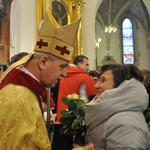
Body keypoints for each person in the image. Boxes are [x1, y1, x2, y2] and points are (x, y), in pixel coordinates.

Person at [0, 8, 94, 150]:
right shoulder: (19, 98)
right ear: (43, 62)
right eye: (62, 67)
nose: (64, 74)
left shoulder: (27, 92)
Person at [85, 64, 150, 149]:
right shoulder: (112, 116)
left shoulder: (126, 124)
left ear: (121, 87)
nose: (96, 85)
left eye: (103, 80)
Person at [52, 55, 96, 150]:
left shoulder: (61, 75)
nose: (88, 67)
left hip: (61, 118)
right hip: (78, 122)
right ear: (79, 64)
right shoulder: (85, 77)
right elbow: (94, 96)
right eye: (86, 64)